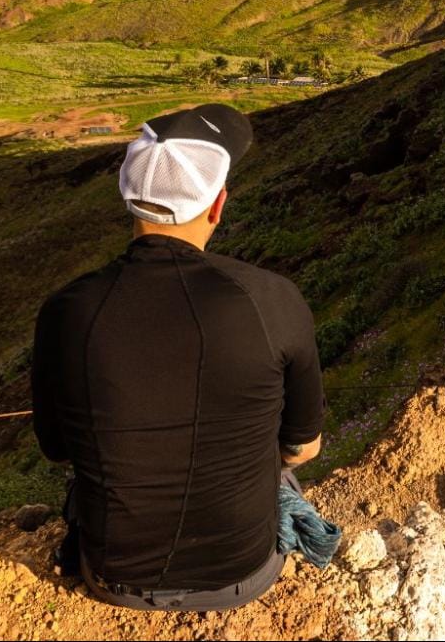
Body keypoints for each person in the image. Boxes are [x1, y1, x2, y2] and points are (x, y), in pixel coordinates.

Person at [31, 102, 326, 611]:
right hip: (244, 572)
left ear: (130, 202)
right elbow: (302, 449)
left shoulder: (66, 311)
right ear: (217, 205)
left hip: (112, 577)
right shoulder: (272, 299)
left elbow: (58, 451)